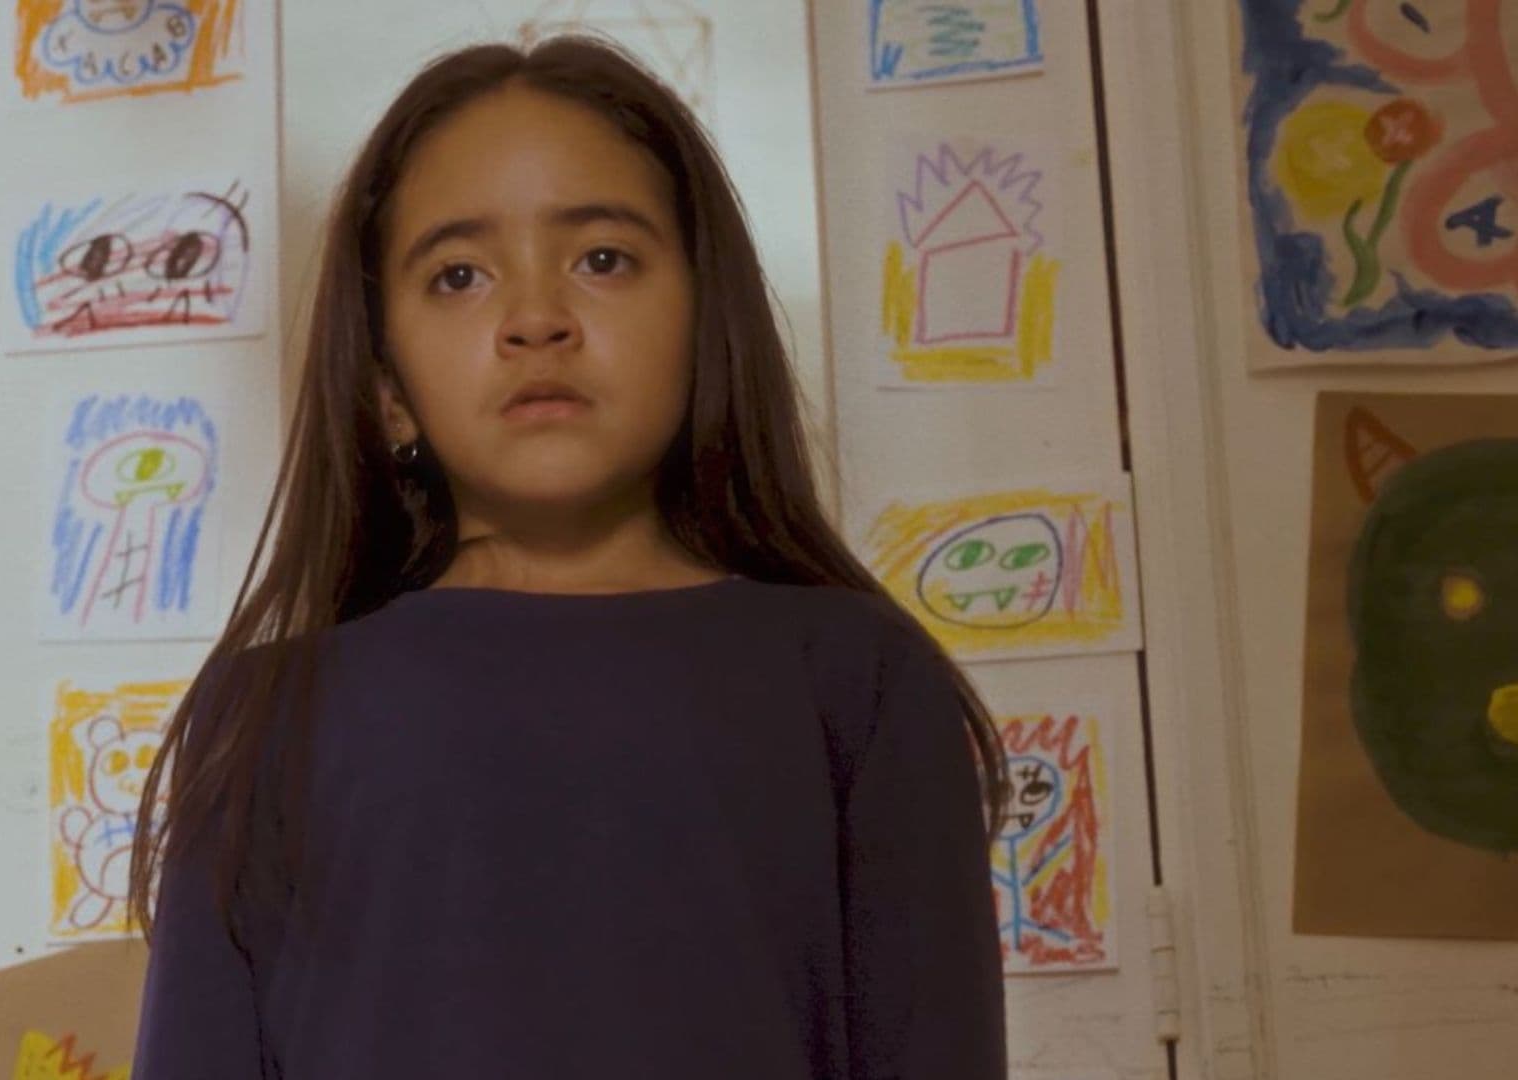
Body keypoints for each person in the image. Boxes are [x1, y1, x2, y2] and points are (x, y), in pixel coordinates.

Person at [128, 34, 1008, 1080]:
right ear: (386, 387)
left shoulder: (859, 681)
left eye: (602, 260)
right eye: (458, 275)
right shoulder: (264, 719)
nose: (536, 319)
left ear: (704, 318)